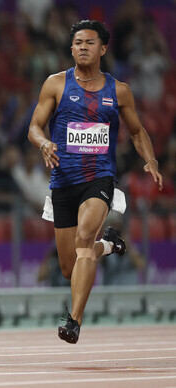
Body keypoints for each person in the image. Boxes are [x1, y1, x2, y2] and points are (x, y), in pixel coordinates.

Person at [27, 20, 163, 344]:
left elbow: (136, 131)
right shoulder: (55, 84)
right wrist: (43, 143)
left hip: (99, 178)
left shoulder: (119, 91)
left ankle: (74, 320)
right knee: (68, 266)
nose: (83, 47)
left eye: (89, 42)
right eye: (77, 42)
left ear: (102, 49)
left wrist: (151, 160)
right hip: (62, 181)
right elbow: (33, 127)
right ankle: (112, 245)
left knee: (85, 237)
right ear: (71, 48)